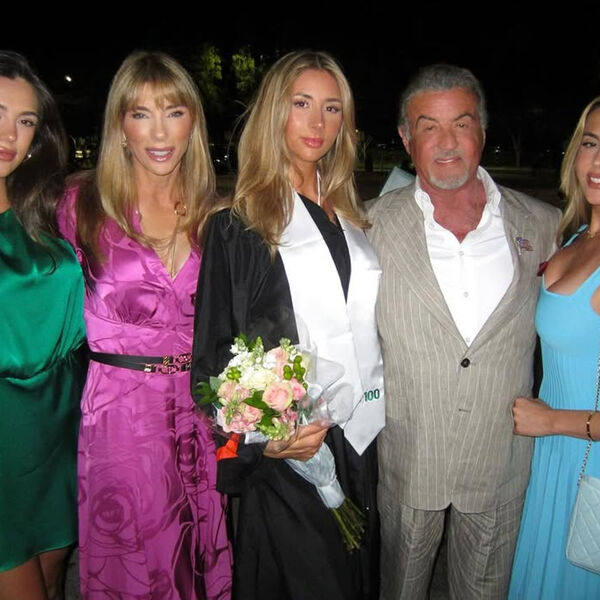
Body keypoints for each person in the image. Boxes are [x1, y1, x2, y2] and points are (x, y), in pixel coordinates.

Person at [191, 50, 384, 600]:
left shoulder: (352, 219)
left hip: (359, 441)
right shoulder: (240, 226)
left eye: (331, 108)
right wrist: (261, 443)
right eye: (301, 104)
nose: (317, 122)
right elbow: (213, 359)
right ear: (275, 111)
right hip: (291, 455)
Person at [367, 63, 561, 600]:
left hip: (501, 458)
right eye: (428, 126)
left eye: (461, 123)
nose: (447, 142)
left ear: (483, 131)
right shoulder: (367, 225)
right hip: (409, 455)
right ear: (406, 139)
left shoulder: (544, 225)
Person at [58, 51, 232, 599]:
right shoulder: (80, 206)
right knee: (134, 565)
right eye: (141, 113)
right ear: (120, 125)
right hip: (120, 416)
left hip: (200, 413)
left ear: (193, 123)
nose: (159, 132)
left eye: (174, 112)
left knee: (202, 555)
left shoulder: (217, 214)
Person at [0, 51, 86, 600]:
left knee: (53, 581)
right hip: (4, 433)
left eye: (25, 120)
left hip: (60, 425)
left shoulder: (49, 209)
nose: (10, 133)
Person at [508, 97, 600, 599]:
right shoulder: (577, 236)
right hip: (557, 458)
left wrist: (552, 421)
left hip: (586, 457)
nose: (598, 162)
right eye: (591, 143)